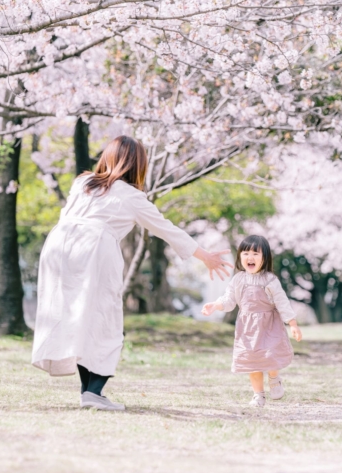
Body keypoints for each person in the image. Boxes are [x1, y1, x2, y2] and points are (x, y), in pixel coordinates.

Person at [31, 136, 233, 411]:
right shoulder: (132, 197)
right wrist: (205, 256)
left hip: (59, 244)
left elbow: (68, 215)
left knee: (77, 317)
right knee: (104, 318)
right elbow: (166, 229)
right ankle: (92, 392)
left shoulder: (83, 183)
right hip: (94, 248)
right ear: (138, 164)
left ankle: (90, 393)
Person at [201, 235, 303, 407]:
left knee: (270, 355)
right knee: (252, 362)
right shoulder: (238, 279)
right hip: (247, 329)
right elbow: (229, 300)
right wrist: (215, 305)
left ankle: (274, 378)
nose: (250, 257)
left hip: (269, 325)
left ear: (265, 258)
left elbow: (282, 302)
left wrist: (292, 324)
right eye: (246, 253)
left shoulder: (270, 280)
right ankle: (258, 395)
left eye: (256, 254)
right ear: (240, 256)